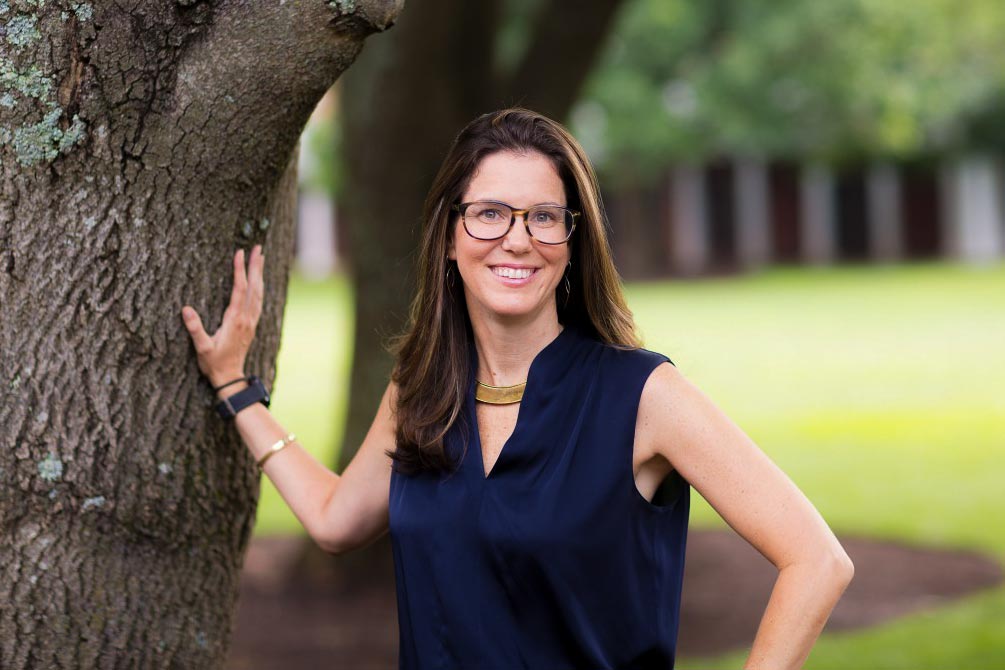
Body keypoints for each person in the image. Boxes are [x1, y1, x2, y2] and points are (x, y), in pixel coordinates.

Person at [181, 108, 853, 669]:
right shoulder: (422, 391)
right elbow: (334, 520)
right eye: (489, 214)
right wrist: (237, 388)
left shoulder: (643, 395)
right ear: (448, 235)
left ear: (570, 240)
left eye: (542, 217)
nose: (516, 240)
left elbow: (816, 561)